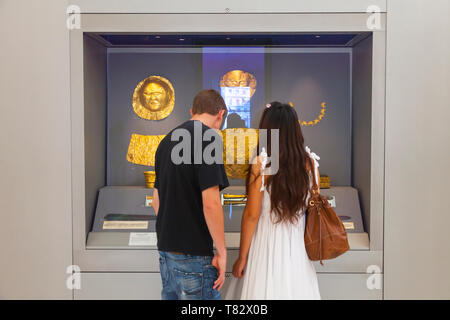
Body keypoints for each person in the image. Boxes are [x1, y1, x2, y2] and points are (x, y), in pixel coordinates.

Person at [225, 102, 321, 299]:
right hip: (298, 250)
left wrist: (242, 258)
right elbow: (312, 207)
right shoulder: (310, 164)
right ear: (296, 130)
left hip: (265, 247)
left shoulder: (261, 165)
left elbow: (251, 215)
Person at [152, 89, 230, 300]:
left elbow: (156, 200)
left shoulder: (166, 142)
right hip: (195, 256)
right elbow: (211, 203)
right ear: (220, 114)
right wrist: (222, 252)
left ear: (192, 111)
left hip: (166, 252)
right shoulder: (208, 140)